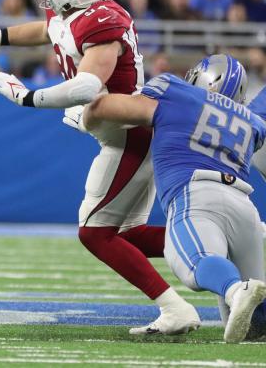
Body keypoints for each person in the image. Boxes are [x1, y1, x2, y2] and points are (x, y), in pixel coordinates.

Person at [0, 0, 199, 335]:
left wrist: (27, 96)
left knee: (94, 233)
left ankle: (176, 307)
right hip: (119, 135)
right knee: (125, 236)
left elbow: (87, 85)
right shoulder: (73, 13)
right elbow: (48, 30)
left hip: (130, 136)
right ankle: (218, 245)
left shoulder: (101, 22)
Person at [82, 55, 266, 343]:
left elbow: (103, 107)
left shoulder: (175, 91)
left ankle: (234, 289)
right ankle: (243, 296)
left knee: (195, 264)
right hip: (246, 208)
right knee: (254, 325)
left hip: (197, 194)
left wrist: (88, 119)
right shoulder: (253, 121)